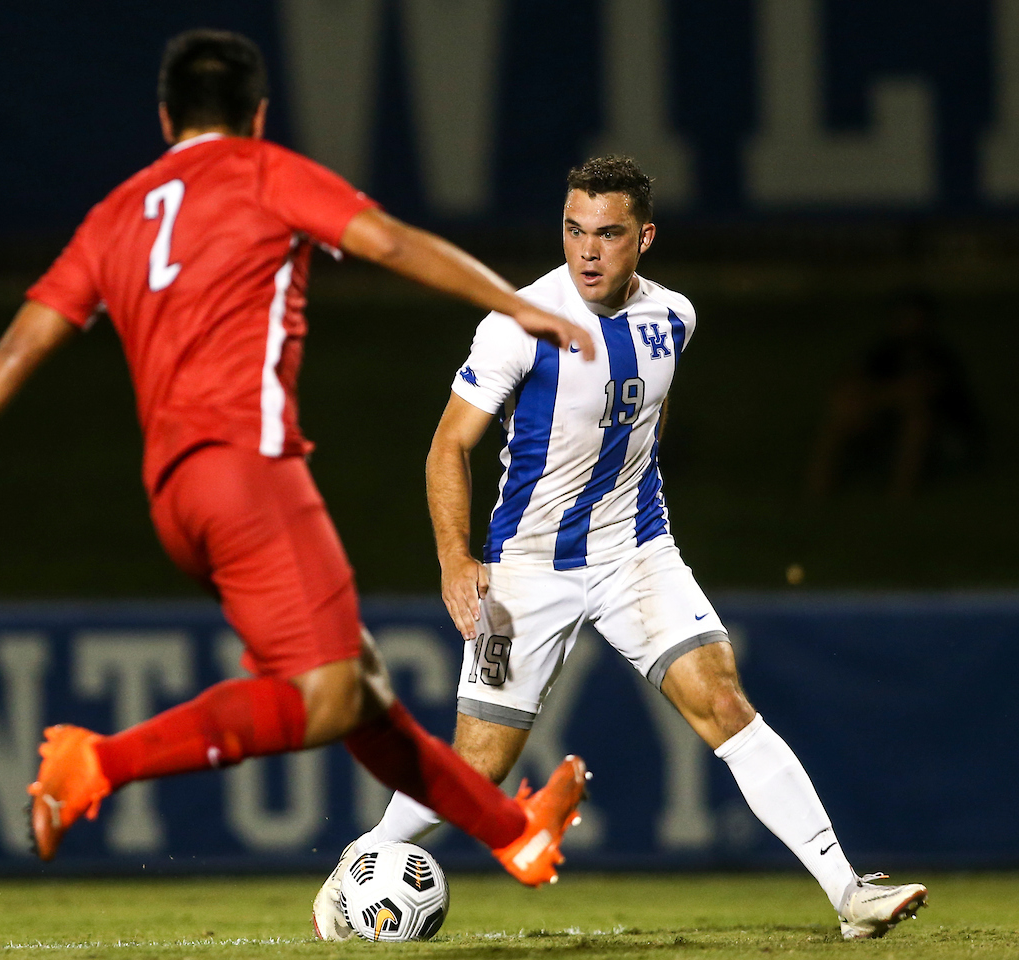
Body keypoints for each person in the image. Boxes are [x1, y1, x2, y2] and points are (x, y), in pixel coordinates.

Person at [0, 29, 593, 888]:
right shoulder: (264, 172)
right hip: (250, 473)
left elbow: (23, 343)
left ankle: (514, 833)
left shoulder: (117, 213)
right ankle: (95, 763)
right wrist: (516, 306)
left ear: (166, 116)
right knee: (325, 693)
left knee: (356, 686)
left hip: (175, 495)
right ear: (258, 115)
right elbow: (389, 242)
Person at [312, 156, 928, 942]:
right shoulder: (516, 322)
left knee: (723, 700)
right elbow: (446, 447)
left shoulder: (674, 317)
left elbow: (646, 416)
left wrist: (633, 499)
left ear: (645, 238)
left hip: (636, 554)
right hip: (526, 571)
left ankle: (849, 893)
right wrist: (455, 560)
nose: (588, 251)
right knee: (479, 768)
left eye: (608, 234)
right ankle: (361, 864)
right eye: (574, 230)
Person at [805, 292, 982, 499]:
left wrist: (877, 397)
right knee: (841, 417)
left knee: (917, 422)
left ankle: (901, 491)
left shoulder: (938, 353)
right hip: (889, 419)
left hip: (945, 430)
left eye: (913, 317)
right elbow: (850, 381)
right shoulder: (884, 350)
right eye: (902, 317)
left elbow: (923, 391)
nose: (908, 324)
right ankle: (816, 491)